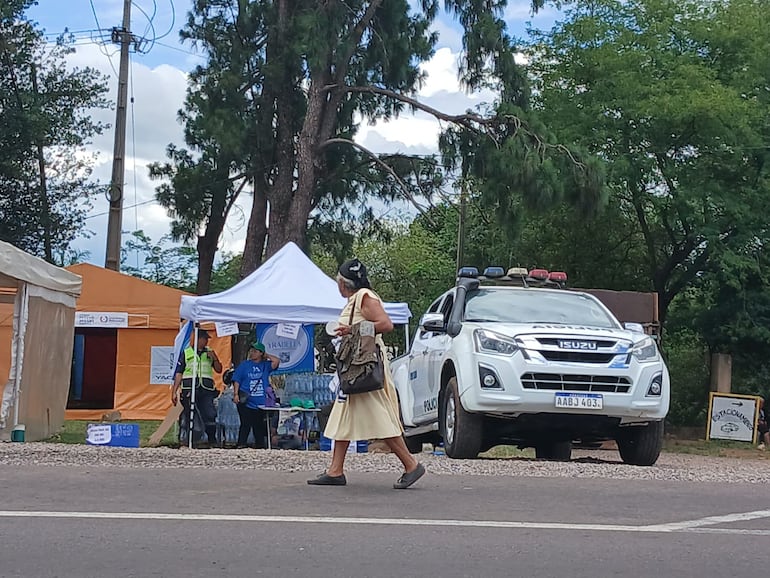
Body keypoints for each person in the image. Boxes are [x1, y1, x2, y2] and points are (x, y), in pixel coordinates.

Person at [308, 258, 426, 489]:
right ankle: (335, 470)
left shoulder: (364, 297)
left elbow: (385, 324)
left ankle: (411, 464)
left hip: (364, 367)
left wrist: (351, 329)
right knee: (343, 414)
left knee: (378, 414)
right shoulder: (356, 300)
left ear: (342, 283)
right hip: (356, 367)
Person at [172, 329, 223, 447]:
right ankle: (189, 439)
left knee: (209, 414)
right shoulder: (186, 353)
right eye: (204, 339)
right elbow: (179, 373)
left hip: (206, 389)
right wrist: (174, 391)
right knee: (189, 414)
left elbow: (219, 369)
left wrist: (215, 358)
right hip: (189, 388)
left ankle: (212, 439)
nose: (206, 342)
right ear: (198, 339)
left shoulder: (210, 352)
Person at [232, 342, 280, 448]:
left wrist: (266, 356)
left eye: (255, 351)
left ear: (261, 353)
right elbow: (237, 380)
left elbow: (276, 361)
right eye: (251, 351)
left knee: (258, 425)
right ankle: (241, 444)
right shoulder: (245, 365)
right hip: (246, 399)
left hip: (260, 402)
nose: (252, 353)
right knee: (245, 423)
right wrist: (236, 394)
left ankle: (260, 445)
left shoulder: (265, 365)